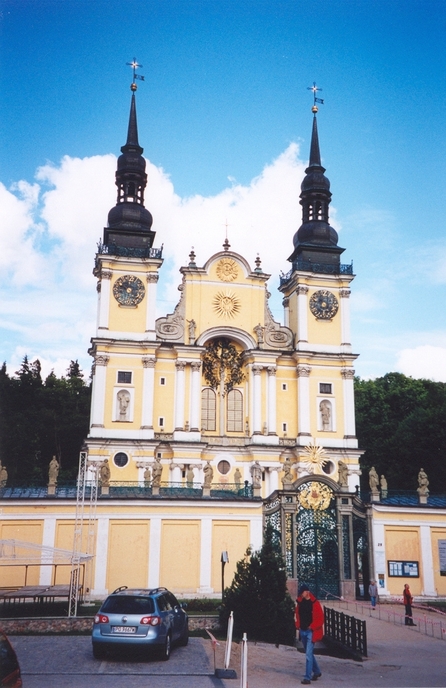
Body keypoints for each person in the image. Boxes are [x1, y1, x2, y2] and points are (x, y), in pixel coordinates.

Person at [295, 583, 324, 685]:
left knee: (308, 654)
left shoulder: (315, 603)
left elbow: (320, 618)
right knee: (309, 653)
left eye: (301, 592)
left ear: (306, 592)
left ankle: (307, 677)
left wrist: (312, 627)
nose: (300, 594)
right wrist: (297, 625)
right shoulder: (300, 602)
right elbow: (297, 614)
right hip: (303, 630)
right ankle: (317, 671)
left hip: (311, 631)